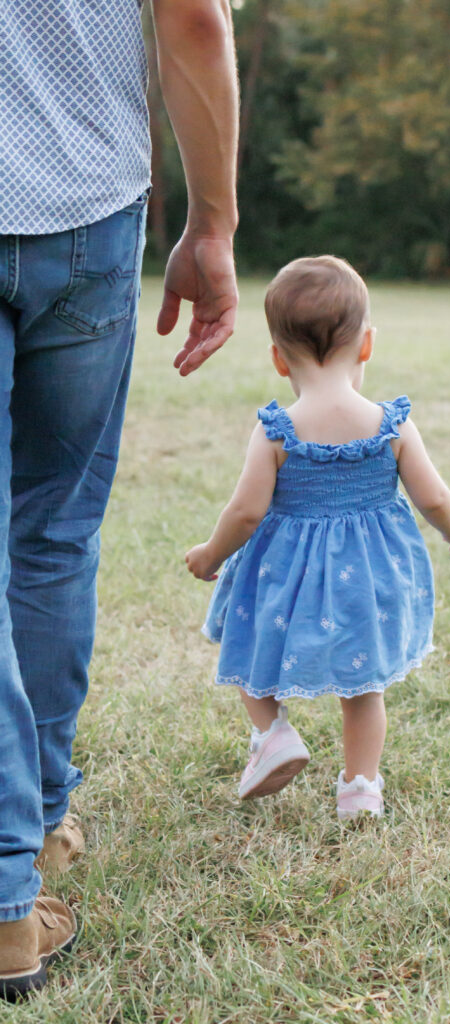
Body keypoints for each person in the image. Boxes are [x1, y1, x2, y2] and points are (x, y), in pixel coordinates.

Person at [0, 0, 239, 1002]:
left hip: (88, 207)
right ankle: (34, 838)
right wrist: (213, 221)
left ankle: (11, 888)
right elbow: (192, 16)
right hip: (85, 208)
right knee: (52, 533)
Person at [185, 256, 450, 819]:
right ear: (367, 345)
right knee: (364, 690)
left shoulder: (276, 431)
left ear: (275, 357)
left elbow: (245, 511)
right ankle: (361, 788)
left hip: (284, 576)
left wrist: (211, 553)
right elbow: (432, 496)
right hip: (368, 578)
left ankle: (274, 735)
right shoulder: (392, 424)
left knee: (250, 645)